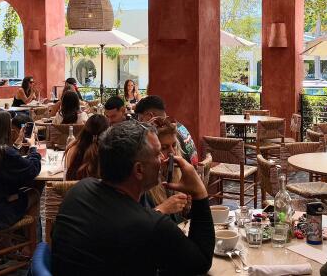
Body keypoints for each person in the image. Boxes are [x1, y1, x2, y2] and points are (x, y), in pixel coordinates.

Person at [51, 120, 214, 276]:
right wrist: (199, 192)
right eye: (158, 154)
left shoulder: (78, 191)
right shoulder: (151, 226)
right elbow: (201, 262)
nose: (163, 159)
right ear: (139, 170)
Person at [144, 117, 190, 222]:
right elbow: (139, 226)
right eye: (164, 148)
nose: (172, 152)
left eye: (174, 145)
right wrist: (163, 209)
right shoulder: (144, 185)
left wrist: (186, 207)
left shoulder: (176, 175)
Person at [136, 95, 198, 166]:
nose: (140, 124)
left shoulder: (164, 133)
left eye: (140, 119)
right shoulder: (178, 126)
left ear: (150, 116)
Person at [64, 114, 109, 180]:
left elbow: (67, 176)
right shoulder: (109, 152)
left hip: (75, 186)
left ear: (85, 129)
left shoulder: (72, 149)